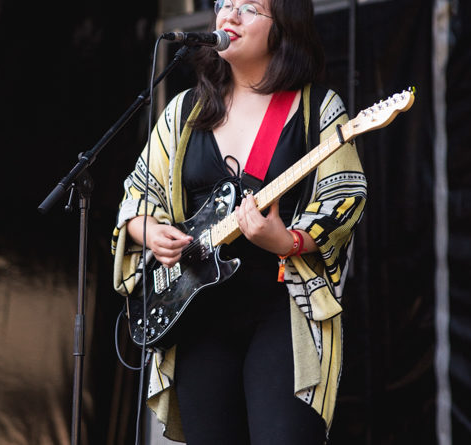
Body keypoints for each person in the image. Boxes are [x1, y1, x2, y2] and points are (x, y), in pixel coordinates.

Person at [111, 0, 367, 443]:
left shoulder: (317, 109)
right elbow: (136, 196)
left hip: (280, 311)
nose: (228, 15)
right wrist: (150, 232)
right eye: (223, 4)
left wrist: (284, 240)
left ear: (283, 26)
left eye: (248, 7)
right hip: (197, 316)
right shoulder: (184, 112)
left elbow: (343, 199)